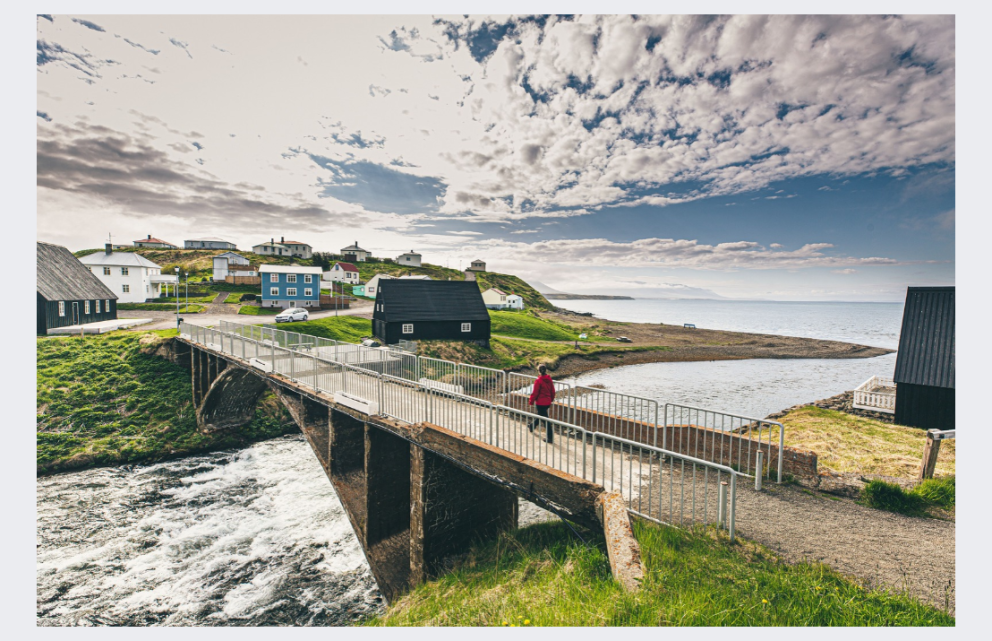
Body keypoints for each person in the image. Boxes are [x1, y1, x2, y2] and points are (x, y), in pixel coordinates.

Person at [528, 364, 556, 444]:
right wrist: (551, 399)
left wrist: (531, 401)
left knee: (546, 421)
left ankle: (550, 438)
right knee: (541, 416)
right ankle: (532, 426)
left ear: (539, 371)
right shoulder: (549, 379)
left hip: (540, 403)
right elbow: (552, 391)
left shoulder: (538, 381)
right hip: (547, 402)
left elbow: (535, 393)